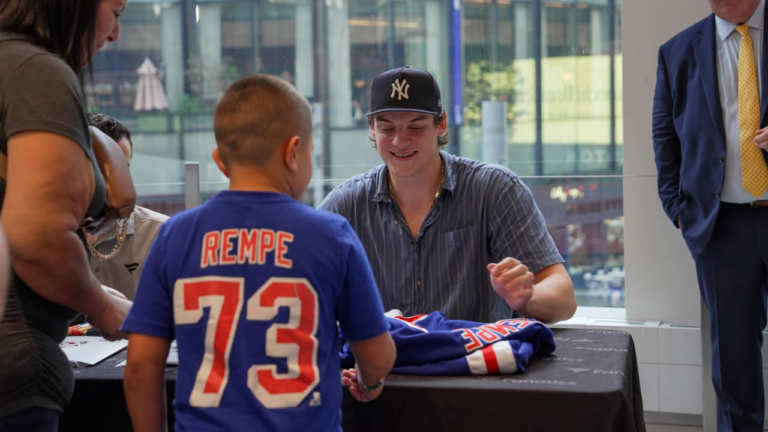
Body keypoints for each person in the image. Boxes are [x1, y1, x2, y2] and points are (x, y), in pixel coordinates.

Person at [122, 74, 396, 431]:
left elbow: (141, 365)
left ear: (220, 161)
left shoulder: (174, 235)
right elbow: (376, 357)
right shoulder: (331, 236)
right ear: (293, 152)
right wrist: (371, 382)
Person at [319, 67, 576, 324]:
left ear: (440, 124)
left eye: (416, 127)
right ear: (372, 129)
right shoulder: (345, 205)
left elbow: (564, 299)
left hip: (476, 361)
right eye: (387, 129)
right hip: (383, 364)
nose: (400, 141)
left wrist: (528, 298)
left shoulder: (494, 190)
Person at [0, 0, 132, 429]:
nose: (115, 32)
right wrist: (101, 308)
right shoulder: (34, 70)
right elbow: (37, 238)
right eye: (117, 10)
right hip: (15, 361)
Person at [653, 0, 768, 429]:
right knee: (733, 365)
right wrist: (678, 209)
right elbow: (665, 138)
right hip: (721, 230)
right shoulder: (677, 50)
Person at [86, 113, 169, 300]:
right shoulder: (48, 233)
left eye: (123, 168)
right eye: (101, 169)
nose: (117, 180)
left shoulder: (160, 234)